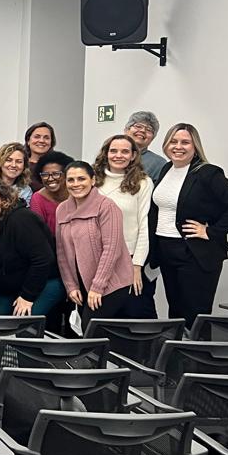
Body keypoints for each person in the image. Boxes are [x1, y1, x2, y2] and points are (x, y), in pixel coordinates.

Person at [148, 123, 228, 328]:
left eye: (185, 142)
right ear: (166, 144)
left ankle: (197, 359)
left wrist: (212, 231)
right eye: (173, 141)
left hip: (194, 253)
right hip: (167, 250)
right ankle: (176, 358)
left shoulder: (207, 173)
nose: (178, 146)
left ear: (195, 146)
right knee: (176, 313)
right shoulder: (168, 169)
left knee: (195, 317)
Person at [56, 161, 135, 332]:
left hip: (109, 284)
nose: (76, 184)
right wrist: (71, 286)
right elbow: (61, 252)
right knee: (85, 333)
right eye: (71, 180)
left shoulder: (107, 206)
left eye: (81, 179)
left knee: (90, 332)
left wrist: (97, 287)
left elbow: (111, 250)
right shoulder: (62, 209)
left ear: (92, 180)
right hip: (81, 285)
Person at [0, 179, 63, 319]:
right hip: (9, 288)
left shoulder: (22, 218)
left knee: (22, 323)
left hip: (43, 283)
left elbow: (42, 260)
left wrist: (27, 297)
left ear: (3, 196)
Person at [93, 134, 156, 318]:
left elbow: (144, 225)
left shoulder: (143, 182)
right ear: (106, 154)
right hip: (97, 258)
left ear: (133, 155)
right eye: (113, 151)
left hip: (128, 258)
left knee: (134, 313)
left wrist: (137, 266)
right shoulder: (92, 181)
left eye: (124, 151)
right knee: (100, 315)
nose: (118, 155)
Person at [29, 150, 74, 236]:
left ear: (66, 175)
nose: (50, 179)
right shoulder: (38, 199)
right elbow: (38, 233)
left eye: (56, 174)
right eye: (45, 175)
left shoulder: (76, 195)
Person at [125, 110, 167, 182]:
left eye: (149, 129)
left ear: (152, 138)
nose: (143, 131)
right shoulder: (110, 154)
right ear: (127, 130)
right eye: (138, 126)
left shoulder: (159, 163)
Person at [23, 122, 57, 194]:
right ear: (28, 141)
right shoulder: (20, 165)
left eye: (46, 138)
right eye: (37, 137)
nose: (41, 141)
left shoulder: (59, 167)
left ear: (51, 143)